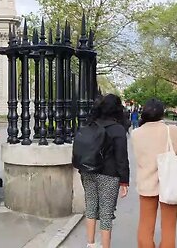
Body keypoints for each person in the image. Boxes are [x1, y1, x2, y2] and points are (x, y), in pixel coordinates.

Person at [131, 98, 177, 248]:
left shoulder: (136, 133)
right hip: (170, 184)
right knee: (169, 229)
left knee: (145, 226)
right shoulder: (171, 130)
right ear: (162, 113)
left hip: (146, 184)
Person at [79, 94, 130, 248]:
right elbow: (121, 157)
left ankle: (90, 244)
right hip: (109, 174)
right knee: (106, 214)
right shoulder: (118, 129)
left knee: (91, 208)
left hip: (88, 171)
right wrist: (124, 180)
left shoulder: (90, 124)